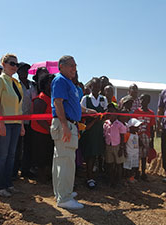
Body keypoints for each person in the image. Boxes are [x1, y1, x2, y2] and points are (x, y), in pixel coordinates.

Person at [50, 55, 95, 209]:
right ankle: (64, 198)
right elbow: (58, 102)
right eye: (71, 65)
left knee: (62, 161)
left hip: (69, 124)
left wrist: (89, 110)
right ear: (61, 66)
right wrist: (64, 126)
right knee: (66, 162)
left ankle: (62, 193)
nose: (74, 69)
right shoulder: (60, 80)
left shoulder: (69, 83)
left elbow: (75, 105)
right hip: (66, 124)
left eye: (75, 66)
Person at [0, 54, 25, 197]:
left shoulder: (16, 83)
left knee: (11, 156)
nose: (15, 67)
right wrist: (1, 123)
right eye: (12, 63)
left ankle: (8, 183)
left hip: (15, 123)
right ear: (3, 64)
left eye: (16, 64)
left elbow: (19, 106)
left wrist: (21, 125)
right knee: (2, 155)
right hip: (3, 123)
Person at [80, 77, 108, 189]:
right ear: (90, 87)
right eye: (94, 86)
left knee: (98, 154)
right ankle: (89, 177)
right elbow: (82, 113)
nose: (96, 88)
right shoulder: (85, 99)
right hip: (90, 130)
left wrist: (102, 116)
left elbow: (106, 112)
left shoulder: (103, 99)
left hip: (99, 129)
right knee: (90, 154)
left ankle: (96, 175)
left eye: (98, 86)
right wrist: (93, 117)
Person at [14, 62, 37, 179]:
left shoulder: (33, 85)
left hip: (31, 119)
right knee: (17, 146)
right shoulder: (14, 84)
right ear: (17, 71)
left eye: (26, 71)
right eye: (22, 70)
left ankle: (25, 169)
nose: (24, 73)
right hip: (18, 120)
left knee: (29, 146)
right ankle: (14, 171)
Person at [31, 73, 55, 183]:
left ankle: (48, 176)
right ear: (44, 84)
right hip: (40, 132)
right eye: (50, 83)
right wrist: (50, 129)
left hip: (50, 131)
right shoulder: (40, 99)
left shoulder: (53, 98)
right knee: (41, 155)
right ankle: (41, 178)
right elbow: (38, 118)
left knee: (49, 154)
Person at [103, 104, 126, 187]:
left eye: (113, 112)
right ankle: (111, 180)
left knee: (119, 164)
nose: (111, 114)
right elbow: (104, 135)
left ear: (116, 114)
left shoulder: (119, 124)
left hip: (117, 146)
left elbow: (122, 136)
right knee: (110, 164)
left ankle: (118, 181)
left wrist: (121, 148)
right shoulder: (106, 123)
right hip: (108, 146)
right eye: (109, 112)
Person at [134, 94, 155, 181]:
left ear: (148, 101)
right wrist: (137, 137)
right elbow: (133, 126)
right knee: (136, 156)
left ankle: (143, 172)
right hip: (137, 136)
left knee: (144, 156)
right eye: (141, 99)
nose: (143, 102)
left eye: (145, 100)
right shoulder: (136, 112)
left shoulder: (151, 113)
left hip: (146, 136)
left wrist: (152, 140)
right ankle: (136, 173)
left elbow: (152, 128)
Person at [123, 118, 142, 183]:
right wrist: (124, 151)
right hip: (129, 153)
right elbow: (124, 143)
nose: (138, 128)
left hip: (135, 153)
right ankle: (127, 178)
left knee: (134, 166)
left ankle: (132, 178)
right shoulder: (127, 134)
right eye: (136, 127)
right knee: (128, 167)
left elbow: (138, 142)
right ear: (131, 127)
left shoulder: (136, 134)